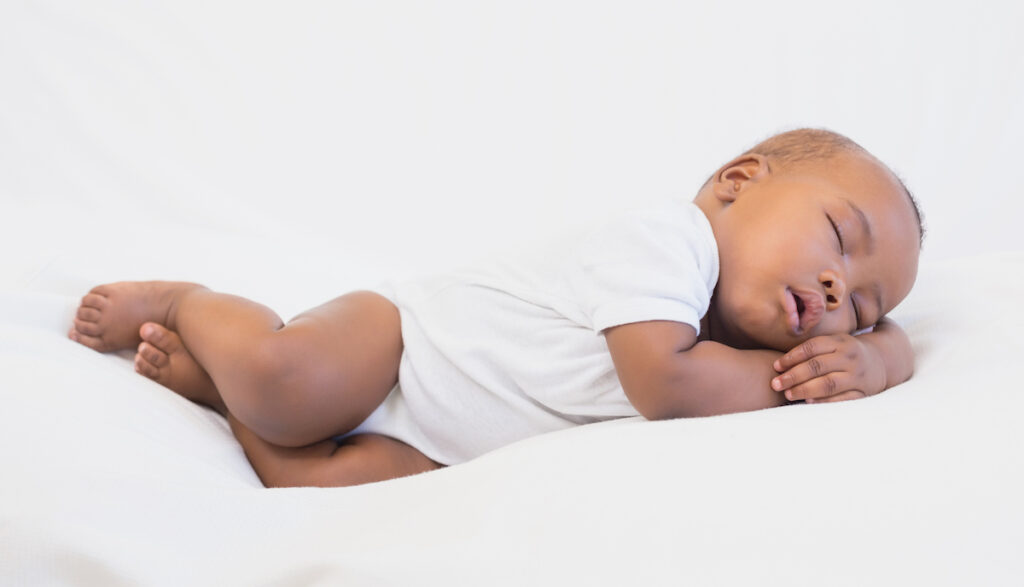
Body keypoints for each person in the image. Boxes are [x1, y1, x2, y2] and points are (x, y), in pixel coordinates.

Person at [68, 128, 923, 488]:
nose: (840, 291)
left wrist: (881, 355)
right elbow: (664, 384)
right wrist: (812, 378)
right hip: (405, 341)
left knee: (311, 481)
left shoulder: (737, 336)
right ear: (740, 183)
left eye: (866, 303)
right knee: (285, 381)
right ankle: (195, 304)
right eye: (837, 235)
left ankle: (218, 389)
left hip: (442, 440)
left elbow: (886, 342)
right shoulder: (670, 241)